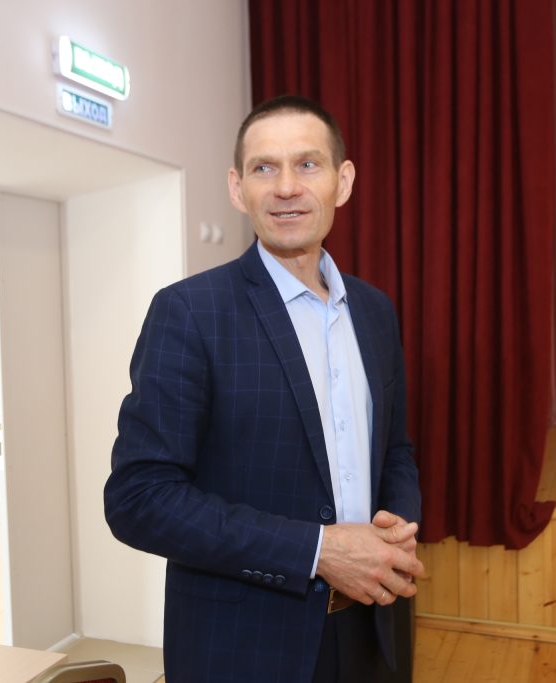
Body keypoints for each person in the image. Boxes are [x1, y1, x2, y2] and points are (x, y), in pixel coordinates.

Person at [104, 94, 423, 682]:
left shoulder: (375, 311)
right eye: (264, 168)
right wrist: (318, 551)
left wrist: (396, 530)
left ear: (343, 181)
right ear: (237, 187)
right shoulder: (190, 312)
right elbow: (139, 499)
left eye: (307, 164)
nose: (286, 187)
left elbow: (396, 450)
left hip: (375, 628)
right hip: (245, 647)